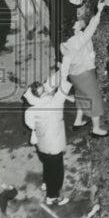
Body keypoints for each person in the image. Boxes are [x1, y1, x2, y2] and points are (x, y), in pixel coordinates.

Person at [23, 57, 75, 206]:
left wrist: (62, 70)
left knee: (47, 165)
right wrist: (66, 70)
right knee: (57, 172)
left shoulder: (32, 109)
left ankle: (46, 183)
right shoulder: (54, 103)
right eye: (44, 92)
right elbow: (63, 87)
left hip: (42, 145)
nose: (46, 90)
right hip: (54, 146)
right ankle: (52, 196)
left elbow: (50, 84)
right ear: (40, 96)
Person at [61, 2, 109, 137]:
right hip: (85, 75)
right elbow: (92, 26)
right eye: (76, 23)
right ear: (73, 28)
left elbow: (65, 63)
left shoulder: (65, 43)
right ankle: (96, 129)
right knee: (94, 99)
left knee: (80, 95)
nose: (79, 22)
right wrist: (99, 11)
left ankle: (78, 120)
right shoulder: (79, 40)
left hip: (74, 75)